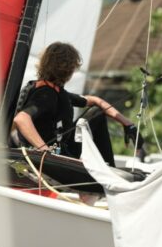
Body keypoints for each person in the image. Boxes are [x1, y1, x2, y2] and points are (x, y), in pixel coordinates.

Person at [12, 42, 143, 164]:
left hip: (62, 150)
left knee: (96, 112)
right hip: (48, 157)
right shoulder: (46, 94)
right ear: (68, 68)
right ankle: (110, 169)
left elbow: (96, 100)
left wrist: (128, 124)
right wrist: (44, 150)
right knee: (97, 114)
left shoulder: (56, 91)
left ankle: (107, 167)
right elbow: (21, 119)